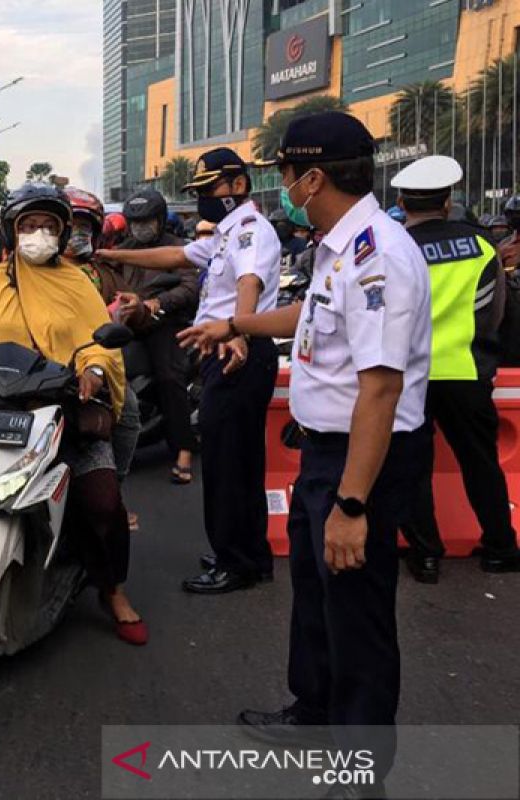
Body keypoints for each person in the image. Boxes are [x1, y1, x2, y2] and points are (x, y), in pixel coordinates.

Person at [181, 111, 431, 792]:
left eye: (287, 174)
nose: (283, 187)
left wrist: (352, 503)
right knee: (317, 600)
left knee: (358, 619)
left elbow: (380, 389)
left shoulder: (379, 252)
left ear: (314, 176)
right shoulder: (338, 245)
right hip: (326, 452)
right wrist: (232, 322)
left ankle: (360, 770)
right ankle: (314, 711)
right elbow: (311, 315)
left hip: (361, 461)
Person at [0, 183, 146, 645]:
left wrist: (93, 369)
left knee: (101, 500)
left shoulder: (77, 283)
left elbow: (98, 341)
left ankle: (110, 589)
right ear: (12, 232)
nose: (39, 233)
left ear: (61, 234)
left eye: (48, 226)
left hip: (58, 407)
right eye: (29, 225)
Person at [98, 147, 281, 595]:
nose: (202, 198)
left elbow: (249, 282)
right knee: (240, 462)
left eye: (208, 188)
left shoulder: (250, 232)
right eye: (197, 191)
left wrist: (237, 330)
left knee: (225, 466)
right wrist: (109, 254)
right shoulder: (224, 233)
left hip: (236, 352)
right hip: (229, 350)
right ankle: (249, 554)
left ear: (238, 185)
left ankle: (233, 561)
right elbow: (174, 258)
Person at [390, 156, 520, 583]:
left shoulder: (394, 247)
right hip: (466, 372)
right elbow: (496, 312)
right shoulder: (482, 246)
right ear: (447, 202)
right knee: (480, 462)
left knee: (414, 465)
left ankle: (426, 555)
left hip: (409, 378)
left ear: (402, 202)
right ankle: (501, 547)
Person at [61, 186, 142, 533]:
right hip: (39, 364)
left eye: (83, 226)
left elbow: (127, 311)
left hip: (94, 362)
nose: (75, 234)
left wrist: (133, 308)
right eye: (69, 225)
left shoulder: (101, 271)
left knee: (128, 415)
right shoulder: (29, 271)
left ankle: (115, 491)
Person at [108, 188, 199, 484]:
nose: (140, 227)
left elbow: (188, 287)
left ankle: (183, 450)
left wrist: (157, 303)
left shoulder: (178, 249)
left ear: (159, 220)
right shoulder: (125, 249)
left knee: (170, 377)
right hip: (128, 324)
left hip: (165, 323)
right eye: (135, 221)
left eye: (146, 221)